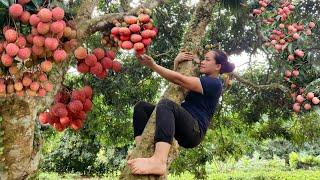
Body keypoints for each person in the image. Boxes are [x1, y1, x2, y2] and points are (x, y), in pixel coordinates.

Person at [127, 50, 235, 175]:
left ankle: (159, 161)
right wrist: (176, 63)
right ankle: (141, 149)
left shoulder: (215, 84)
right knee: (142, 107)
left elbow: (179, 80)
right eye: (203, 59)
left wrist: (153, 65)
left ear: (218, 66)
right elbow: (177, 89)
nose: (203, 62)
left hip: (195, 130)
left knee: (166, 104)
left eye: (207, 59)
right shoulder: (202, 80)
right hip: (182, 122)